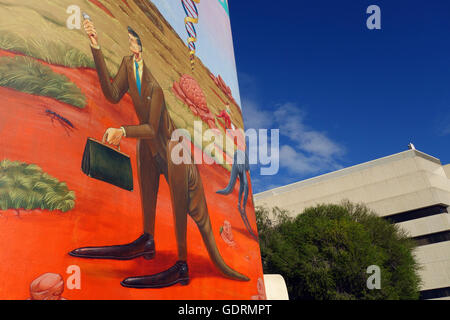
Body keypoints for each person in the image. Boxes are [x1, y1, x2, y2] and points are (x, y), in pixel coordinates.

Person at [69, 18, 249, 289]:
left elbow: (153, 128)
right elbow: (112, 94)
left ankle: (181, 266)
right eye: (129, 41)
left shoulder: (155, 89)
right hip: (150, 148)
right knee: (148, 193)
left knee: (180, 207)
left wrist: (122, 130)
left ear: (142, 48)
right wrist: (96, 47)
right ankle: (147, 241)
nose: (130, 46)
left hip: (172, 151)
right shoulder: (129, 67)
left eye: (133, 42)